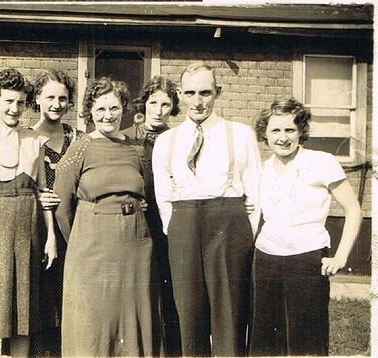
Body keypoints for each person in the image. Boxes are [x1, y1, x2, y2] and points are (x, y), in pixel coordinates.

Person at [152, 63, 261, 356]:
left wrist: (241, 233)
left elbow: (255, 191)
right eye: (190, 93)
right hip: (184, 225)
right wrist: (176, 229)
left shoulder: (240, 134)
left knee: (229, 313)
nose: (197, 101)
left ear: (218, 93)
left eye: (205, 92)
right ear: (180, 95)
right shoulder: (166, 141)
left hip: (229, 223)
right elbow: (163, 196)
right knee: (189, 312)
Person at [54, 77, 163, 357]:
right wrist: (81, 238)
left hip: (135, 245)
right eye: (100, 109)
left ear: (124, 108)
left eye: (114, 108)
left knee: (132, 313)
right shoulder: (81, 147)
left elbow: (148, 194)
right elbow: (62, 203)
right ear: (90, 111)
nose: (107, 115)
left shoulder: (137, 149)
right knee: (94, 319)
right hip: (92, 246)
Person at [248, 98, 362, 356]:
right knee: (266, 342)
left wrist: (341, 256)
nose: (283, 138)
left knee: (307, 341)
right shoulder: (262, 168)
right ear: (265, 133)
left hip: (308, 258)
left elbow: (354, 209)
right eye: (275, 130)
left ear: (301, 131)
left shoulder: (322, 161)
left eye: (290, 130)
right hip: (265, 258)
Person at [0, 68, 57, 357]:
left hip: (28, 234)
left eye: (20, 102)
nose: (14, 108)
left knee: (24, 315)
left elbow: (43, 193)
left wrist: (51, 236)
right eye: (8, 101)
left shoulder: (35, 141)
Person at [122, 75, 181, 356]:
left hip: (168, 223)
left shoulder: (179, 140)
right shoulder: (126, 139)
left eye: (166, 104)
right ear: (143, 103)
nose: (158, 110)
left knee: (170, 291)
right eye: (153, 102)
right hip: (136, 221)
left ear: (173, 107)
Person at [29, 69, 84, 357]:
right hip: (38, 231)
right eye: (49, 96)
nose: (56, 103)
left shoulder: (79, 139)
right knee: (41, 303)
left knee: (69, 301)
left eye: (63, 98)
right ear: (37, 98)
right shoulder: (26, 139)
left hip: (73, 230)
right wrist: (37, 197)